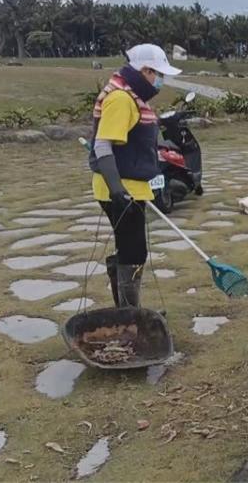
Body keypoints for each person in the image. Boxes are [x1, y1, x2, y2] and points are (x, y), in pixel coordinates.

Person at [88, 44, 182, 308]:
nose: (160, 80)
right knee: (134, 253)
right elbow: (102, 145)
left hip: (132, 188)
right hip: (119, 190)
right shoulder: (120, 98)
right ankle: (131, 316)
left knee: (130, 250)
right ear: (145, 70)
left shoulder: (132, 96)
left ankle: (126, 312)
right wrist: (117, 190)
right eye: (158, 74)